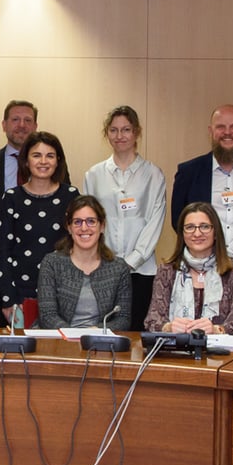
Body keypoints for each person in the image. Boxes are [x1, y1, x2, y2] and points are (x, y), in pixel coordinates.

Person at [170, 104, 233, 310]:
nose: (227, 133)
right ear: (210, 131)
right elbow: (178, 221)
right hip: (201, 272)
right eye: (221, 127)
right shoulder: (188, 172)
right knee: (200, 332)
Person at [83, 105, 165, 331]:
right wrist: (106, 260)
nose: (120, 136)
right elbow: (87, 223)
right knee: (102, 330)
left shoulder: (153, 174)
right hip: (101, 268)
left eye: (126, 129)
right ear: (106, 133)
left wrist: (132, 260)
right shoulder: (94, 175)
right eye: (114, 130)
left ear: (137, 132)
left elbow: (154, 222)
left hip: (142, 271)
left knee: (136, 335)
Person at [0, 131, 79, 327]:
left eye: (50, 155)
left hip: (63, 295)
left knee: (59, 353)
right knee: (23, 355)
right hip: (21, 297)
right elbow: (3, 253)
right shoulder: (12, 198)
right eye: (36, 155)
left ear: (58, 161)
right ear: (25, 161)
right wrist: (8, 299)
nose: (43, 161)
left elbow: (80, 248)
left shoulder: (71, 196)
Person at [144, 202, 233, 336]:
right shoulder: (167, 270)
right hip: (176, 353)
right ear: (182, 234)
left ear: (216, 232)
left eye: (204, 227)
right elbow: (152, 322)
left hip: (220, 353)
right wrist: (169, 327)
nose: (197, 233)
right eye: (190, 227)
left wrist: (215, 330)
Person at [37, 195, 131, 331]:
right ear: (69, 228)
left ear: (102, 226)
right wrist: (73, 334)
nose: (84, 228)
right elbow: (47, 316)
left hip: (101, 342)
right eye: (77, 222)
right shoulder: (52, 263)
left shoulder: (119, 268)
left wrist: (97, 331)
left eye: (91, 221)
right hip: (59, 343)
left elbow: (123, 318)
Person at [0, 100, 38, 258]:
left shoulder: (50, 164)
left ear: (35, 126)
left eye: (27, 120)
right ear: (4, 125)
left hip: (39, 245)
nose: (21, 125)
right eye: (15, 120)